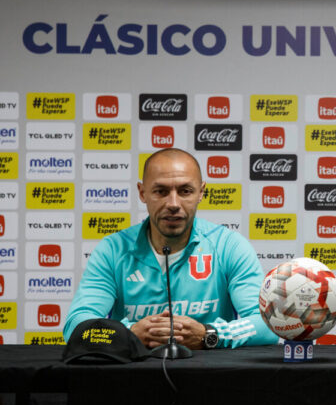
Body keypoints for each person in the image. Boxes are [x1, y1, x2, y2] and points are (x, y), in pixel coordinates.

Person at [64, 148, 277, 349]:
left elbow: (268, 324)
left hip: (210, 379)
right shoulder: (113, 250)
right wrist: (130, 334)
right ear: (142, 192)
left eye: (185, 191)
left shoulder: (229, 246)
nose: (173, 203)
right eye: (161, 191)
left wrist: (209, 334)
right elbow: (76, 326)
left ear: (201, 192)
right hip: (131, 379)